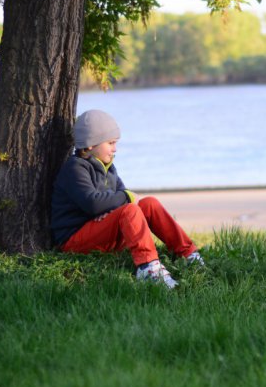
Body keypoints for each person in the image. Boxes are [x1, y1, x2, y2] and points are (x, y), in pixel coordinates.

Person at [51, 110, 204, 288]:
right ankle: (148, 268)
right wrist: (120, 200)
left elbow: (122, 199)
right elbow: (93, 203)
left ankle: (188, 253)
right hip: (75, 239)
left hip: (101, 230)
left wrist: (114, 205)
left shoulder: (109, 168)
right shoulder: (75, 168)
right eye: (111, 143)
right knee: (130, 209)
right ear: (91, 144)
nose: (115, 149)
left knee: (149, 204)